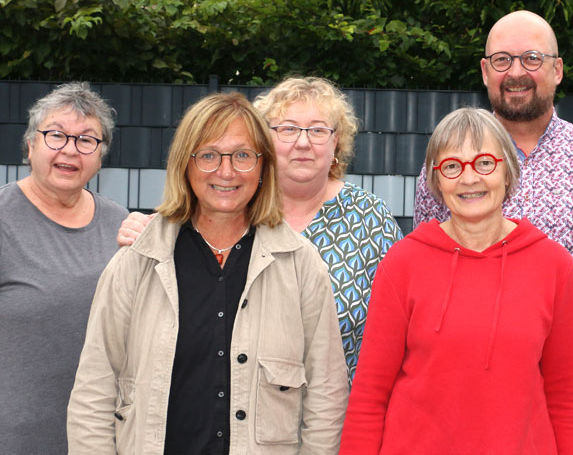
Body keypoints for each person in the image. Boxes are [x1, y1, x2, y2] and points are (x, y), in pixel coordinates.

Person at [68, 92, 348, 454]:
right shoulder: (137, 262)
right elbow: (94, 391)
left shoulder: (301, 266)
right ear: (186, 163)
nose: (226, 171)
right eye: (209, 156)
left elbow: (326, 397)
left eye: (243, 156)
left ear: (264, 167)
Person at [413, 10, 573, 452]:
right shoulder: (443, 169)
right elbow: (428, 273)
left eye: (531, 58)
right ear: (485, 71)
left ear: (557, 69)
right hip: (462, 402)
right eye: (502, 60)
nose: (516, 72)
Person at [117, 77, 403, 381]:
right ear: (262, 144)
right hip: (237, 408)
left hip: (339, 410)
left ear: (337, 143)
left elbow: (400, 324)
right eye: (288, 129)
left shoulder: (370, 217)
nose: (303, 142)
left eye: (318, 130)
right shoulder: (232, 203)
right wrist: (142, 232)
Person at [341, 107, 573, 454]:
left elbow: (566, 396)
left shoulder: (552, 264)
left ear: (507, 171)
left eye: (485, 162)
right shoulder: (403, 264)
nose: (469, 178)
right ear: (437, 181)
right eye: (452, 167)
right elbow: (369, 395)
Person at [0, 83, 128, 455]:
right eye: (56, 135)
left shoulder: (121, 225)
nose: (70, 149)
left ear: (100, 156)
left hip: (100, 439)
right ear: (30, 144)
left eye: (87, 140)